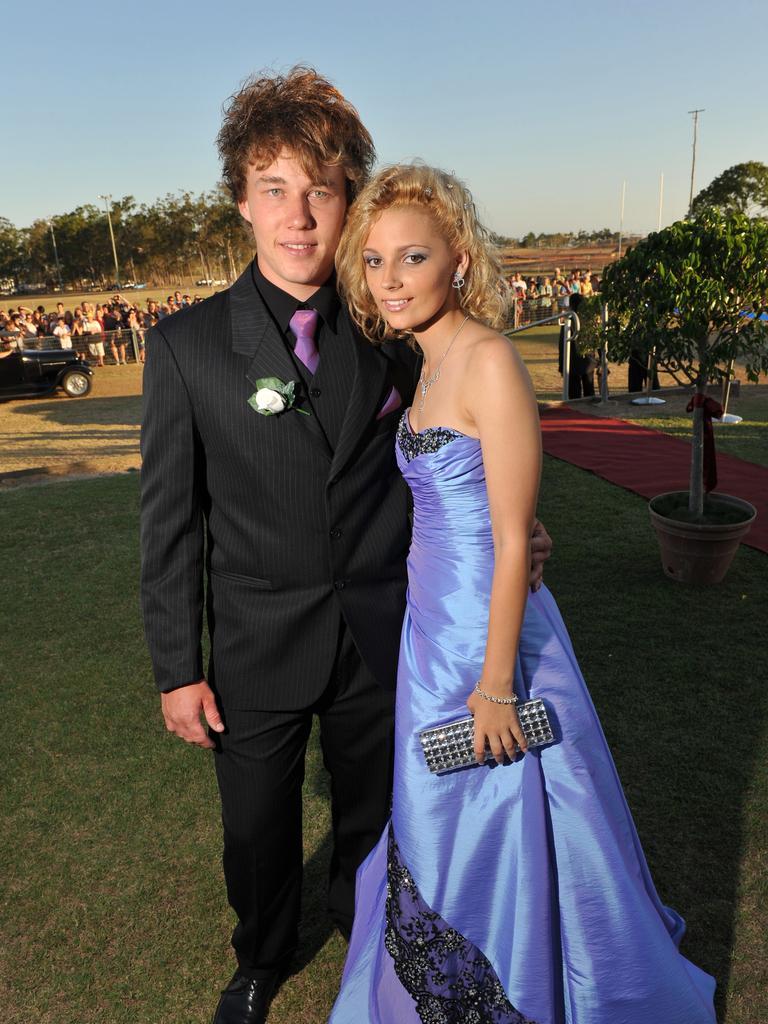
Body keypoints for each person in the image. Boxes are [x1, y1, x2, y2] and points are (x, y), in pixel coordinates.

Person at [140, 68, 553, 1024]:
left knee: (376, 817)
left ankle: (369, 930)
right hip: (254, 646)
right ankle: (262, 954)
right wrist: (176, 669)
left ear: (350, 202)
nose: (299, 217)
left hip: (385, 636)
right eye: (274, 189)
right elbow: (169, 527)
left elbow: (471, 443)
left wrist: (526, 523)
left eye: (321, 191)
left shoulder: (392, 329)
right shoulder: (186, 348)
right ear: (241, 200)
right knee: (256, 830)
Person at [329, 164, 716, 1024]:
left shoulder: (489, 358)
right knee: (432, 809)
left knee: (491, 809)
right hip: (430, 626)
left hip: (483, 637)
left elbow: (513, 537)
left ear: (458, 260)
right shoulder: (424, 365)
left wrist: (497, 683)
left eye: (413, 257)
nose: (390, 279)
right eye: (377, 260)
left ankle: (522, 985)